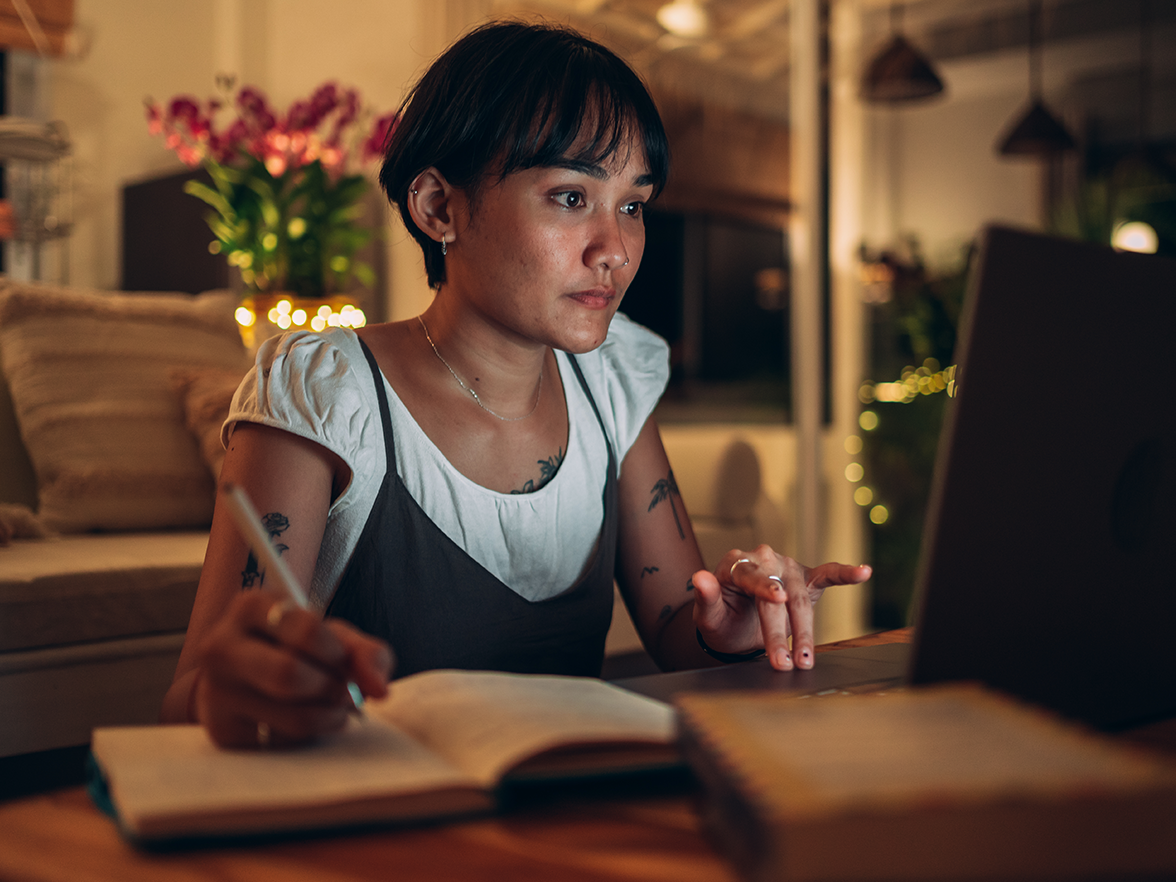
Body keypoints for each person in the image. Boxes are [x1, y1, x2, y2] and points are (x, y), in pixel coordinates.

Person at [161, 20, 871, 748]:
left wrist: (728, 623)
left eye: (632, 205)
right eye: (570, 197)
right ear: (440, 207)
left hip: (564, 821)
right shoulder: (326, 393)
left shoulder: (610, 380)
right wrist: (245, 686)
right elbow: (192, 697)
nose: (617, 250)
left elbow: (673, 628)